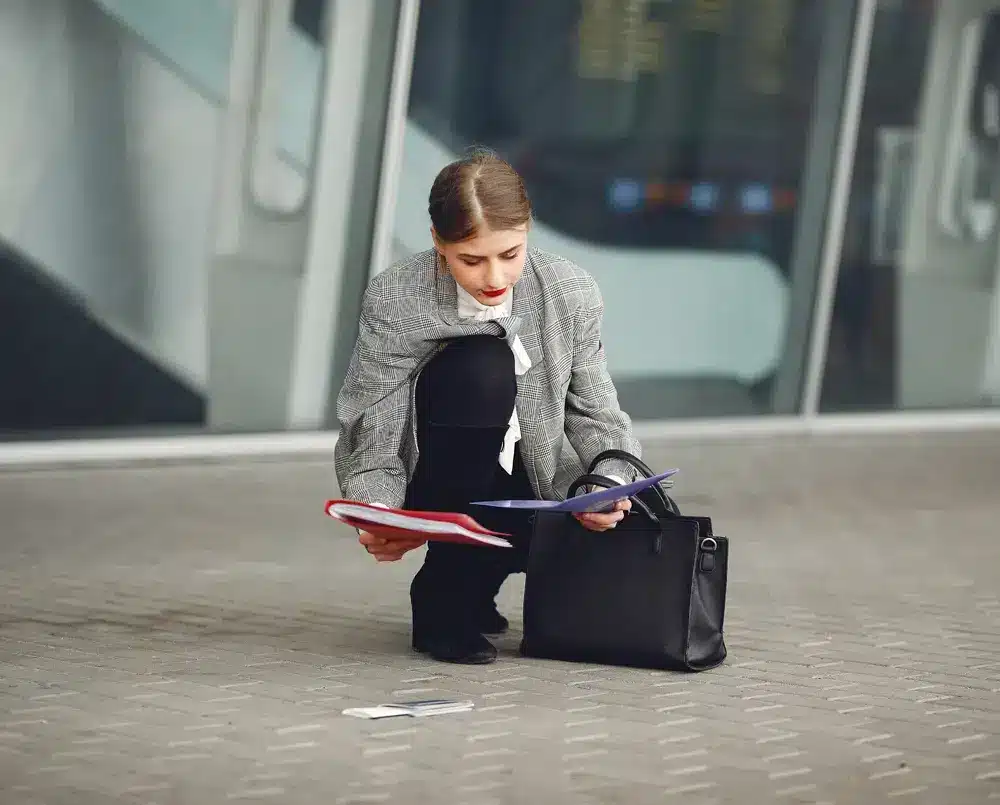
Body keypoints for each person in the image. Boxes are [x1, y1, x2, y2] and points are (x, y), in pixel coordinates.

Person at [334, 148, 642, 665]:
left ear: (528, 231)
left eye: (511, 254)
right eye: (471, 260)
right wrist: (381, 510)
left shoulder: (568, 291)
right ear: (438, 243)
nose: (494, 276)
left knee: (587, 515)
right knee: (482, 365)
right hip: (438, 476)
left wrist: (608, 482)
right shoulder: (398, 297)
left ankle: (480, 583)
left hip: (533, 478)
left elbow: (595, 407)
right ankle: (444, 598)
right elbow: (373, 414)